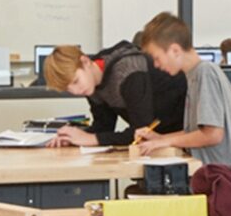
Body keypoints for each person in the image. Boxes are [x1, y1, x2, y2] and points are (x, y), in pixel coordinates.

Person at [139, 13, 231, 166]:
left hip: (225, 181)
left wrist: (166, 142)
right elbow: (195, 132)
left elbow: (213, 134)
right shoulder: (192, 76)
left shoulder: (205, 73)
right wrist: (160, 139)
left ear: (175, 50)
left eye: (157, 58)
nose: (156, 65)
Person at [40, 41, 186, 147]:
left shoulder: (129, 71)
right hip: (160, 139)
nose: (76, 91)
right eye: (68, 89)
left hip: (184, 134)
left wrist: (90, 139)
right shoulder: (91, 82)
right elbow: (104, 127)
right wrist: (73, 137)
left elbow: (142, 132)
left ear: (85, 61)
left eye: (76, 81)